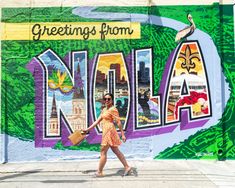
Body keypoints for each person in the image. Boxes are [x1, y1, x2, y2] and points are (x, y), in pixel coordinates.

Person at [82, 93, 132, 177]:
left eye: (109, 99)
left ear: (112, 100)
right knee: (116, 150)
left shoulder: (113, 109)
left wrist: (122, 134)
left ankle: (99, 172)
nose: (107, 100)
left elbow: (118, 122)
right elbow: (97, 121)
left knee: (103, 151)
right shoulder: (104, 109)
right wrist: (87, 129)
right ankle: (127, 167)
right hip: (106, 131)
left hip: (109, 131)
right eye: (105, 99)